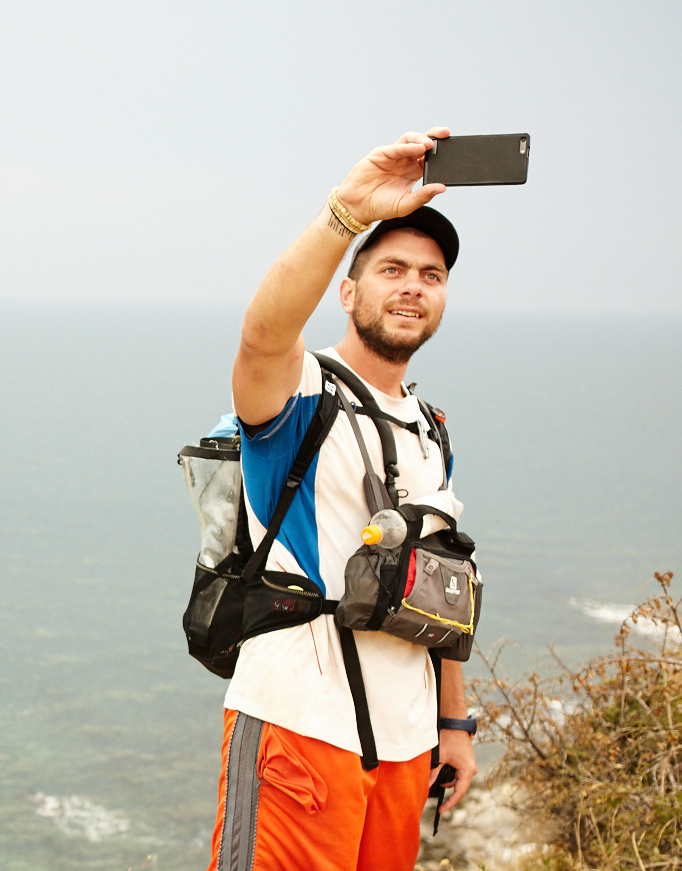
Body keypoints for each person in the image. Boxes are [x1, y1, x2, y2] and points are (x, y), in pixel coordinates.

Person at [207, 128, 479, 870]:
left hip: (405, 742)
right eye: (392, 268)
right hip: (300, 726)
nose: (413, 285)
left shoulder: (431, 428)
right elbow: (262, 334)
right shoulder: (299, 394)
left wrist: (454, 721)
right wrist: (346, 215)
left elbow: (442, 588)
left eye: (431, 274)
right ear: (349, 290)